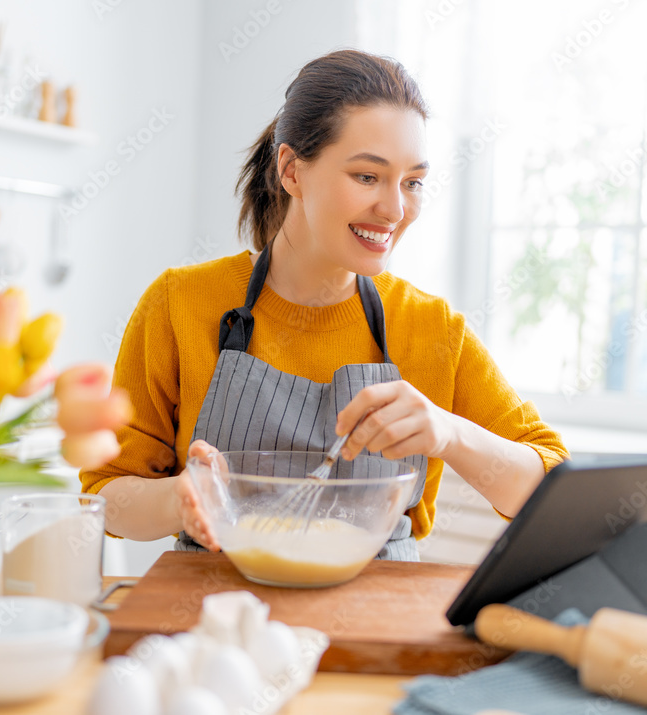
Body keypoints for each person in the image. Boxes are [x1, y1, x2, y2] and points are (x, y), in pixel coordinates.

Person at [80, 49, 568, 560]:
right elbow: (105, 496)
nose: (395, 209)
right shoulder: (181, 302)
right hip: (217, 625)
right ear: (291, 170)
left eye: (413, 182)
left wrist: (450, 433)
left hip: (377, 620)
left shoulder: (430, 327)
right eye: (366, 176)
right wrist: (178, 501)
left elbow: (553, 491)